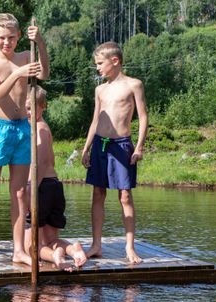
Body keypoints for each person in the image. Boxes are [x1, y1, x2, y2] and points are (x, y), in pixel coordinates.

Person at [0, 13, 50, 269]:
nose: (7, 42)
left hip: (22, 129)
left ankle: (17, 250)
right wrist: (17, 74)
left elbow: (44, 74)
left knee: (20, 192)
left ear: (18, 36)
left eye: (12, 37)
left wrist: (42, 43)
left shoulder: (26, 56)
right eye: (2, 38)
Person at [81, 41, 148, 264]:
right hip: (100, 144)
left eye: (100, 63)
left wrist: (139, 147)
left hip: (122, 145)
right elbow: (94, 121)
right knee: (98, 193)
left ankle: (129, 247)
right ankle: (96, 245)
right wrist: (86, 148)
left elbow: (144, 117)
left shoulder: (133, 85)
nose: (97, 68)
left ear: (115, 61)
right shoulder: (100, 89)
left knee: (125, 195)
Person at [23, 85, 87, 271]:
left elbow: (41, 162)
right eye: (26, 108)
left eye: (31, 108)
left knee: (30, 247)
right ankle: (73, 250)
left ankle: (54, 256)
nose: (28, 112)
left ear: (43, 107)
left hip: (41, 187)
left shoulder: (39, 129)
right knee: (51, 239)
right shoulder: (41, 127)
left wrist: (30, 188)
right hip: (54, 186)